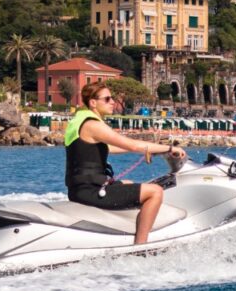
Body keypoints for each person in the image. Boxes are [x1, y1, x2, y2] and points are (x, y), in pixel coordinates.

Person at [66, 82, 186, 244]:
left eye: (112, 98)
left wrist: (151, 149)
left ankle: (123, 231)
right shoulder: (93, 125)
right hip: (90, 191)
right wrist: (170, 148)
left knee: (128, 183)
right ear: (93, 103)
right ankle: (140, 245)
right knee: (155, 192)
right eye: (107, 99)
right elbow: (133, 144)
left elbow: (109, 148)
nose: (113, 102)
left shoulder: (80, 122)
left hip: (80, 189)